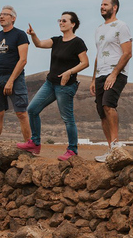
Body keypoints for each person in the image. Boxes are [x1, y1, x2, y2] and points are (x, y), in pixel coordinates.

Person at [17, 12, 89, 161]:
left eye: (64, 20)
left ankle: (72, 150)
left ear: (73, 24)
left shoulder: (78, 42)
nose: (61, 23)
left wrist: (69, 72)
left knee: (67, 118)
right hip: (50, 84)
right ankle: (35, 143)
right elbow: (39, 44)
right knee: (32, 109)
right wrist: (33, 35)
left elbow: (85, 62)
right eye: (60, 20)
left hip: (66, 86)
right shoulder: (56, 40)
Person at [90, 0, 133, 163]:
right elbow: (98, 55)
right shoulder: (99, 29)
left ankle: (116, 146)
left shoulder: (121, 26)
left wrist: (114, 73)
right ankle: (110, 150)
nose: (102, 7)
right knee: (101, 112)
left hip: (116, 73)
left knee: (109, 105)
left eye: (105, 4)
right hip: (100, 74)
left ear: (114, 7)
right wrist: (93, 78)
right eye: (101, 4)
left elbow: (127, 53)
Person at [0, 6, 31, 144]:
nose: (1, 17)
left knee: (21, 113)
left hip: (15, 78)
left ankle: (30, 146)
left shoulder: (20, 34)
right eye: (0, 14)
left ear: (13, 18)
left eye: (5, 14)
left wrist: (11, 80)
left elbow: (23, 60)